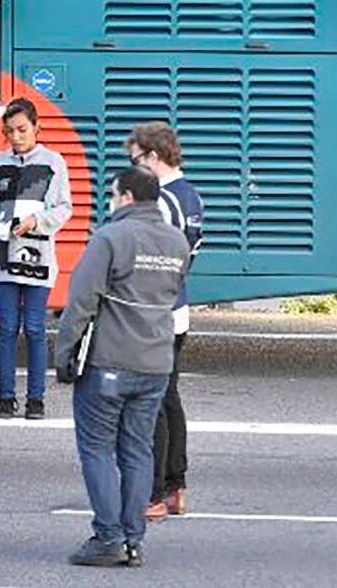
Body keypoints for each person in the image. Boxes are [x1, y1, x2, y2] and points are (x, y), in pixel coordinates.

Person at [54, 166, 190, 568]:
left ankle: (107, 537)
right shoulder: (176, 241)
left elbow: (80, 302)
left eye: (112, 194)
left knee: (96, 449)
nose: (110, 201)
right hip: (156, 363)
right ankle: (133, 539)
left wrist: (64, 355)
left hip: (111, 360)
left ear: (127, 197)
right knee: (137, 450)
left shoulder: (111, 237)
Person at [0, 98, 72, 420]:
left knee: (34, 327)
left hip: (38, 255)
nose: (16, 137)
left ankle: (36, 399)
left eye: (22, 130)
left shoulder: (53, 162)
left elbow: (64, 208)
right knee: (6, 328)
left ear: (36, 127)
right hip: (2, 253)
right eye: (9, 131)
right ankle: (6, 398)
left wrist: (37, 222)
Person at [127, 123, 203, 521]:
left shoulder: (161, 201)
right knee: (170, 400)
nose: (134, 167)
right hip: (179, 309)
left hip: (154, 314)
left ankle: (152, 494)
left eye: (136, 159)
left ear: (153, 157)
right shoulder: (191, 196)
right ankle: (176, 486)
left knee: (151, 405)